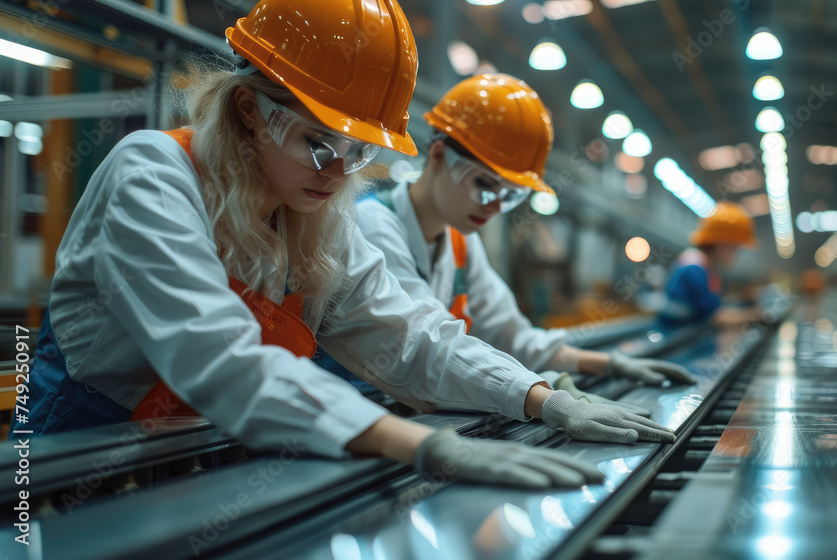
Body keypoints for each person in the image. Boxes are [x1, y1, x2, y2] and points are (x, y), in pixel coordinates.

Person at [10, 0, 674, 488]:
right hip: (76, 462)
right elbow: (215, 356)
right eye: (319, 144)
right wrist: (416, 444)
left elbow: (411, 336)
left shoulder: (317, 217)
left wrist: (541, 396)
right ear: (249, 111)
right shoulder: (152, 175)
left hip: (193, 457)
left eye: (357, 154)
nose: (336, 172)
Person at [345, 74, 696, 411]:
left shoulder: (461, 243)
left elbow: (513, 338)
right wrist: (541, 394)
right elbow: (423, 350)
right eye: (483, 184)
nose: (495, 206)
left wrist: (606, 363)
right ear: (437, 156)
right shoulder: (373, 227)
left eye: (510, 195)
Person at [657, 202, 761, 329]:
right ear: (721, 243)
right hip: (675, 341)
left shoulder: (704, 267)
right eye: (735, 247)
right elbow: (714, 317)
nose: (737, 253)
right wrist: (755, 315)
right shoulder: (694, 270)